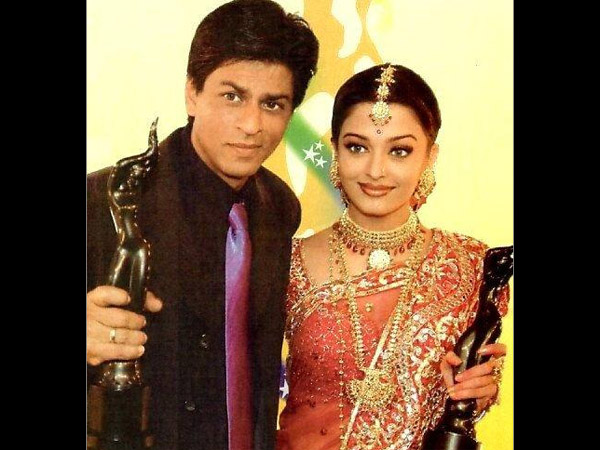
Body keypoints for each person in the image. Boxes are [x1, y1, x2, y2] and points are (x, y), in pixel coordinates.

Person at [86, 1, 319, 449]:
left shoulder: (280, 207)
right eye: (232, 96)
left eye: (272, 104)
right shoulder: (103, 201)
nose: (251, 125)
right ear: (192, 93)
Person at [276, 63, 509, 450]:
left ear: (430, 157)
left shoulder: (471, 266)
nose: (375, 170)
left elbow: (464, 404)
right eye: (357, 147)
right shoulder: (285, 263)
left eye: (399, 151)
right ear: (334, 150)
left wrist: (479, 392)